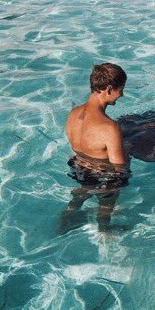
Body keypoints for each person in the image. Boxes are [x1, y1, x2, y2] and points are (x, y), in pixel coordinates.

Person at [59, 62, 130, 233]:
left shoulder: (73, 113)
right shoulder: (109, 127)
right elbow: (119, 167)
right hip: (104, 175)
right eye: (121, 89)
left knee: (83, 190)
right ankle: (104, 230)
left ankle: (66, 219)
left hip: (78, 167)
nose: (121, 94)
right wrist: (128, 150)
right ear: (109, 89)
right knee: (106, 206)